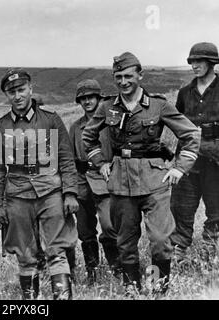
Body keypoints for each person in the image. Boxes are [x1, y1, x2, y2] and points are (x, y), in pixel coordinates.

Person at [82, 52, 201, 294]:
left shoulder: (158, 105)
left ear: (140, 75)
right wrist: (101, 163)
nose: (123, 82)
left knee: (160, 239)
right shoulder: (107, 107)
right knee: (125, 240)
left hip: (154, 180)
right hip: (120, 182)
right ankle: (131, 286)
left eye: (128, 76)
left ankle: (158, 287)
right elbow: (88, 137)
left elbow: (190, 134)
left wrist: (179, 168)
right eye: (118, 77)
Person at [0, 68, 79, 300]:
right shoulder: (1, 126)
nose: (17, 96)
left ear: (31, 89)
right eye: (11, 92)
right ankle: (31, 303)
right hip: (17, 194)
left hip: (50, 191)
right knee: (25, 253)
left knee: (57, 250)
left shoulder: (50, 119)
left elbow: (66, 158)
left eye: (21, 90)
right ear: (6, 95)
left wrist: (70, 193)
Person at [170, 42, 219, 263]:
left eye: (199, 61)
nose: (194, 65)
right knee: (181, 207)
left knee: (216, 210)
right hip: (188, 159)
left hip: (216, 159)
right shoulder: (184, 93)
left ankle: (210, 255)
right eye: (192, 61)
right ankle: (178, 256)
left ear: (211, 63)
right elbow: (177, 123)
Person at [69, 79, 119, 285]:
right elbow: (69, 157)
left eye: (91, 97)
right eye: (83, 99)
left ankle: (116, 270)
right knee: (84, 230)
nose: (87, 102)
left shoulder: (111, 122)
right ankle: (93, 273)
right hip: (82, 181)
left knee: (109, 225)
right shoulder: (75, 127)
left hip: (106, 178)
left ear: (99, 98)